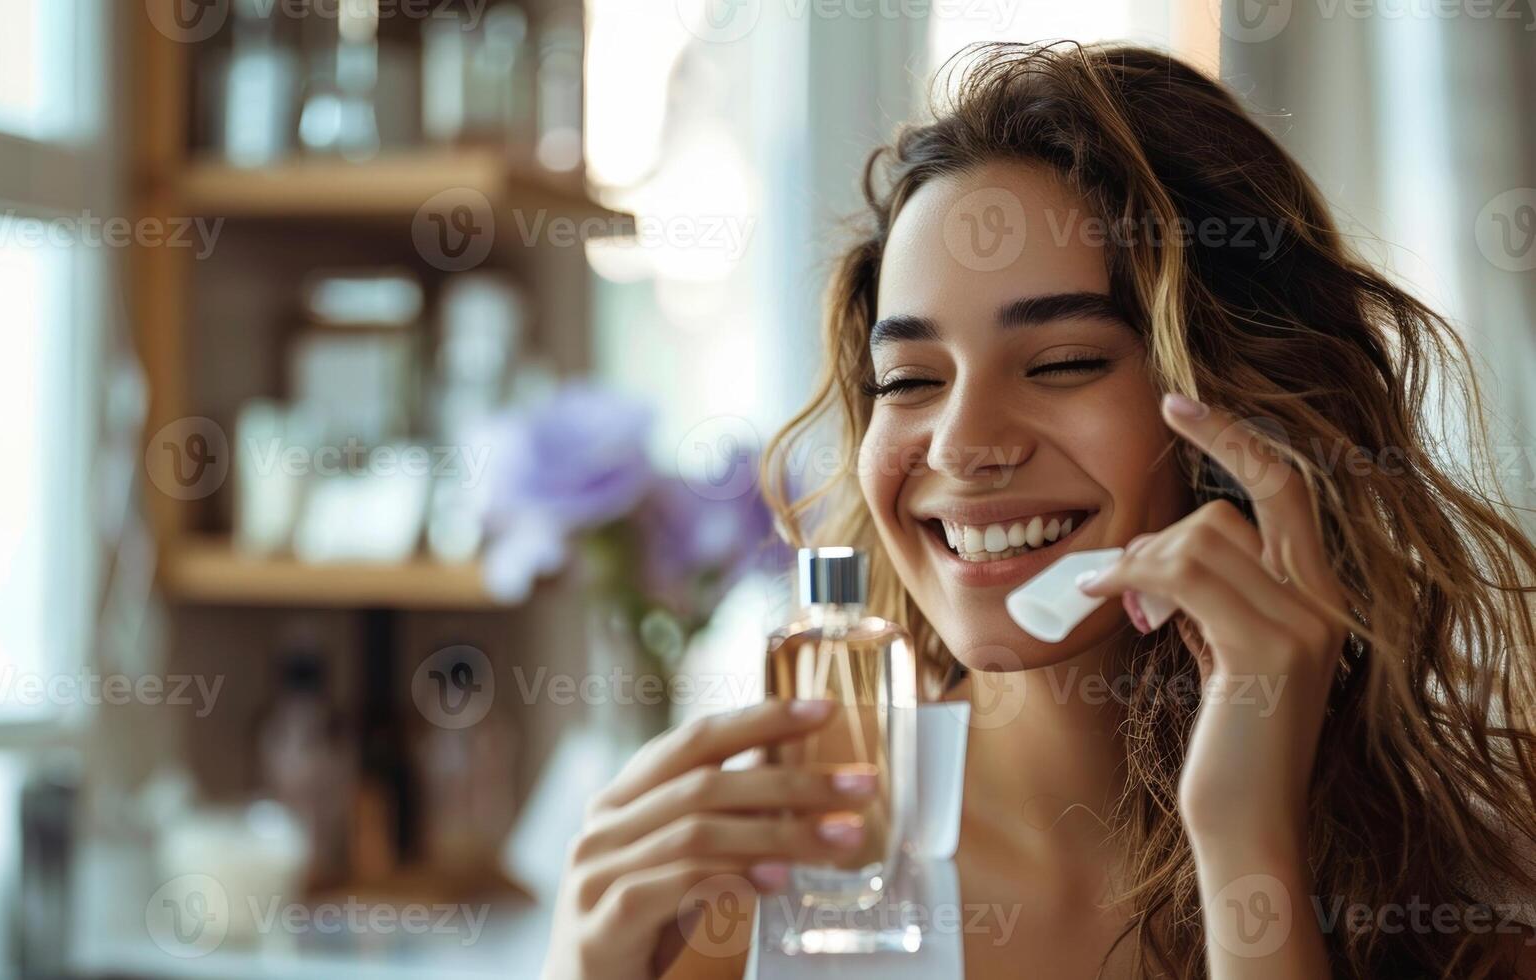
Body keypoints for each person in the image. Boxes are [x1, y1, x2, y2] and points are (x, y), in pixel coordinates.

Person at [543, 42, 1536, 978]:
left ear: (1246, 408)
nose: (964, 444)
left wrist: (1248, 848)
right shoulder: (754, 880)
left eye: (1064, 363)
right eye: (909, 379)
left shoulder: (1461, 893)